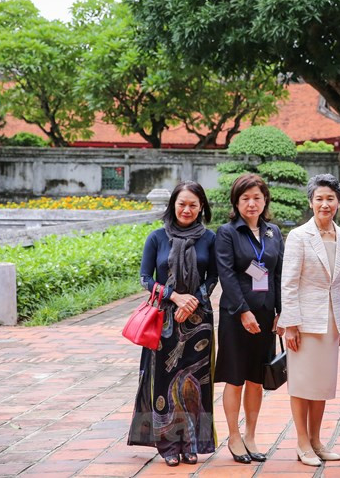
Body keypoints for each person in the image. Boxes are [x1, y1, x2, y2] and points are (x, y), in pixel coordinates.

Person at [129, 181, 218, 467]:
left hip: (198, 322)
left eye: (193, 204)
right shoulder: (156, 237)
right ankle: (167, 443)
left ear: (201, 206)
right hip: (164, 321)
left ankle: (191, 441)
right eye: (182, 204)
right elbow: (145, 278)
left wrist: (193, 300)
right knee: (163, 382)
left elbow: (213, 277)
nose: (187, 209)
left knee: (194, 384)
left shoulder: (209, 238)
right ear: (173, 206)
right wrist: (176, 298)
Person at [278, 174, 340, 467]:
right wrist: (291, 324)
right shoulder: (298, 235)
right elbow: (289, 282)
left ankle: (317, 439)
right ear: (311, 202)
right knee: (301, 383)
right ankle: (301, 442)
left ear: (338, 202)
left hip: (331, 321)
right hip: (304, 322)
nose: (325, 204)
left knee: (320, 384)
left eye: (330, 198)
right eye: (319, 198)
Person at [214, 173, 284, 464]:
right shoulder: (227, 232)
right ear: (236, 202)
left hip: (267, 316)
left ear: (265, 199)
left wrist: (282, 311)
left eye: (257, 197)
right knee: (236, 378)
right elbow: (227, 276)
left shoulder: (273, 232)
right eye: (245, 198)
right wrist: (243, 311)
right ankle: (233, 436)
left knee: (257, 379)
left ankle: (251, 435)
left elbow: (277, 274)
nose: (252, 203)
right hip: (236, 315)